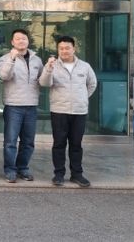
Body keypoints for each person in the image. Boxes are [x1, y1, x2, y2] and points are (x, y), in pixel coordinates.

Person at [39, 35, 97, 187]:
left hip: (79, 111)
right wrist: (48, 68)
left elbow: (92, 84)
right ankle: (58, 174)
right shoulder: (52, 65)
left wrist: (82, 98)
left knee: (76, 144)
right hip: (59, 110)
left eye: (67, 48)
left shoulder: (85, 66)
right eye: (61, 48)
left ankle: (77, 174)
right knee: (59, 144)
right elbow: (44, 83)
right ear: (58, 50)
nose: (64, 51)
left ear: (74, 49)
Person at [0, 29, 44, 183]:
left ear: (28, 41)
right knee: (10, 141)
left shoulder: (37, 60)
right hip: (13, 106)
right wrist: (12, 58)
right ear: (12, 42)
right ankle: (10, 170)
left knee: (28, 141)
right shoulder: (5, 58)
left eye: (23, 38)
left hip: (31, 105)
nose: (21, 41)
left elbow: (43, 80)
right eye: (17, 39)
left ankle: (23, 168)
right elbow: (4, 76)